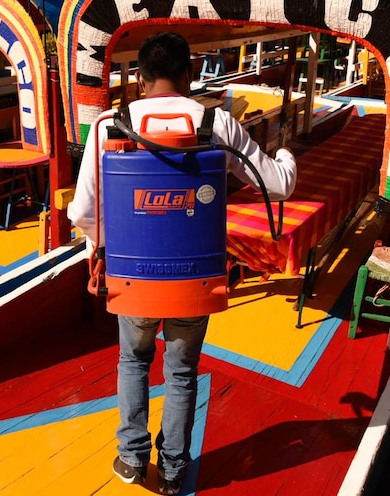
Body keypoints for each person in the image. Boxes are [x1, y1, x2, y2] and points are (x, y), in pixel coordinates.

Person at [67, 32, 297, 495]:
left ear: (140, 79)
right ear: (190, 76)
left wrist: (109, 244)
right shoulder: (218, 125)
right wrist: (288, 153)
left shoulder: (109, 126)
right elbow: (278, 186)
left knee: (133, 361)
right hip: (196, 279)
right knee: (182, 370)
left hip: (132, 279)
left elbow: (82, 213)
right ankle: (174, 470)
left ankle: (132, 459)